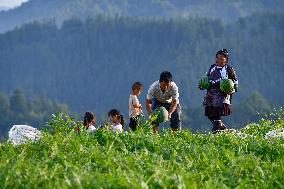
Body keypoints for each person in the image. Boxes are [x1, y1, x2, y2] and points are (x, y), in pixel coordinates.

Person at [199, 49, 238, 133]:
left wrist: (231, 94)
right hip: (210, 94)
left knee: (217, 114)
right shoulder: (212, 67)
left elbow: (235, 83)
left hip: (222, 95)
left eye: (221, 58)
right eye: (217, 58)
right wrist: (202, 85)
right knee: (209, 114)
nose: (219, 60)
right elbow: (207, 79)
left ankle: (215, 133)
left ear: (226, 60)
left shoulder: (229, 70)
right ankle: (221, 126)